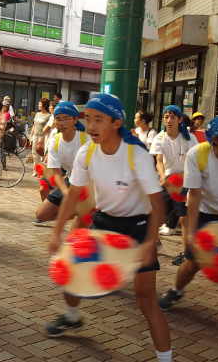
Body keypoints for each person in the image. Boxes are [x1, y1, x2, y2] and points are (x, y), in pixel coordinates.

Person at [46, 93, 172, 362]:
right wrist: (57, 231)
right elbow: (73, 193)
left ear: (116, 123)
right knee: (72, 272)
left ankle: (165, 358)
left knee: (145, 300)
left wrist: (150, 242)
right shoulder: (87, 150)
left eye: (99, 120)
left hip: (138, 226)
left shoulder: (135, 154)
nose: (91, 126)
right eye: (88, 119)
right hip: (104, 222)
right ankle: (72, 316)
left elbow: (158, 203)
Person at [158, 115, 218, 343]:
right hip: (204, 212)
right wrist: (191, 235)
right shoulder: (198, 154)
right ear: (215, 141)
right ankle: (176, 291)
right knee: (192, 261)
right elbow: (193, 196)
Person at [150, 106, 197, 262]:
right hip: (168, 182)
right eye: (166, 117)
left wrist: (186, 176)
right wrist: (163, 177)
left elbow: (195, 160)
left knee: (184, 219)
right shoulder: (159, 138)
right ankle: (153, 243)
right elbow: (158, 160)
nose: (169, 120)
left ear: (180, 120)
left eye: (172, 117)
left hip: (186, 182)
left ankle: (187, 253)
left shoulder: (189, 138)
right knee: (153, 212)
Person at [34, 102, 88, 225]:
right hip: (71, 180)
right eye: (58, 119)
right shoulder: (55, 141)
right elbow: (56, 173)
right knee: (41, 214)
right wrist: (65, 192)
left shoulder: (86, 139)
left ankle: (82, 212)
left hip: (89, 184)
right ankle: (75, 212)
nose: (62, 123)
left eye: (66, 118)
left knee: (81, 225)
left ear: (75, 119)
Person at [30, 98, 51, 175]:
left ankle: (41, 170)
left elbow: (48, 128)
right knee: (34, 154)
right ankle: (36, 170)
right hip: (35, 135)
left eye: (40, 104)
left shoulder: (49, 116)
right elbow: (34, 125)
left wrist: (43, 137)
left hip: (43, 137)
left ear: (44, 105)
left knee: (41, 154)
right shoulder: (37, 114)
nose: (38, 105)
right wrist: (31, 135)